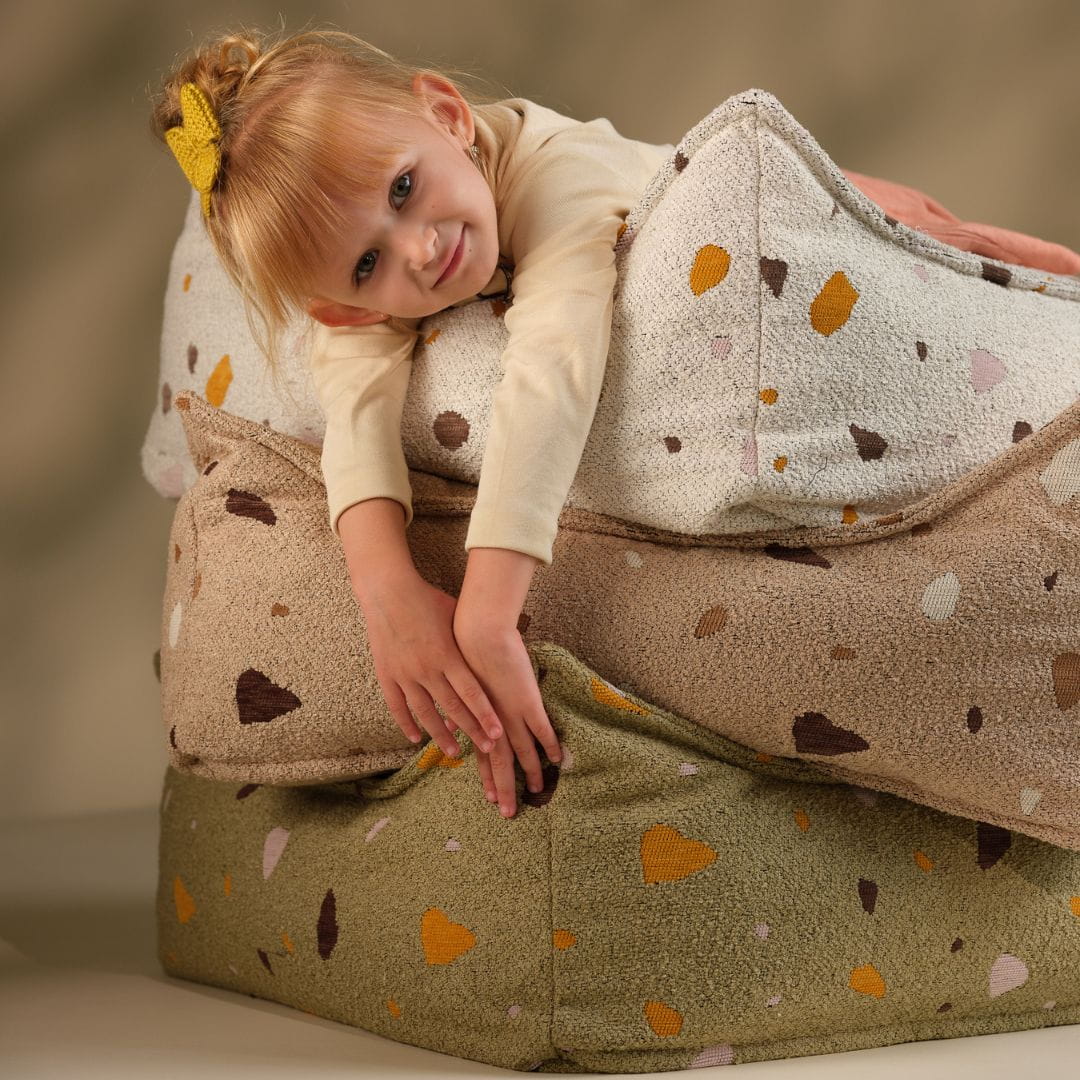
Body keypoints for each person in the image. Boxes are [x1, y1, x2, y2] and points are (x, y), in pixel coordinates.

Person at [151, 25, 1080, 822]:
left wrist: (487, 612)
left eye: (403, 190)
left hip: (829, 228)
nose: (421, 249)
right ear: (343, 307)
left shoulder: (555, 171)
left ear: (447, 114)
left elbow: (552, 361)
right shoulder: (375, 288)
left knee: (1005, 267)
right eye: (367, 266)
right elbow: (354, 403)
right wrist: (387, 592)